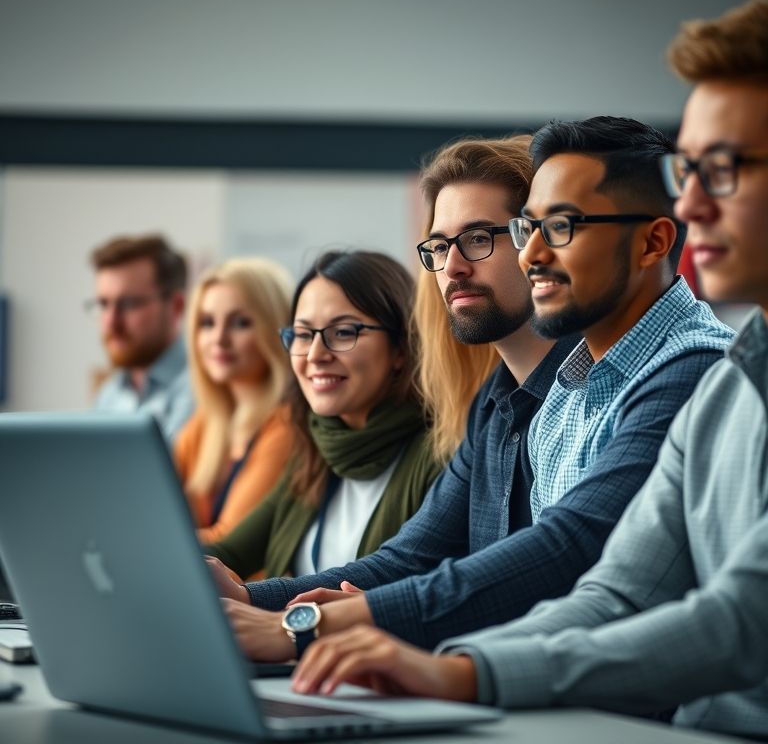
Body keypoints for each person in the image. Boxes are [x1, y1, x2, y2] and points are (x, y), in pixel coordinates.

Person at [288, 0, 768, 741]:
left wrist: (434, 662)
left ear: (651, 244)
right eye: (690, 169)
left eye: (727, 169)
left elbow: (732, 619)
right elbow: (611, 594)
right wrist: (452, 667)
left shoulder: (690, 373)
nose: (696, 201)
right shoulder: (724, 385)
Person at [210, 120, 732, 664]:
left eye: (481, 238)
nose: (453, 266)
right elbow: (417, 559)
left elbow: (566, 554)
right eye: (438, 247)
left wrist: (325, 625)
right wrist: (253, 600)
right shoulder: (539, 392)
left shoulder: (686, 368)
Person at [204, 250, 445, 612]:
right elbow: (230, 552)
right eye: (302, 335)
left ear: (400, 347)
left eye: (343, 332)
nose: (315, 354)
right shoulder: (317, 449)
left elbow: (396, 579)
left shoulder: (440, 454)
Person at [174, 258, 295, 545]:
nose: (218, 338)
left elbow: (230, 543)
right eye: (207, 323)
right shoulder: (205, 424)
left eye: (240, 323)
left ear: (275, 328)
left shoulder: (287, 426)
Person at [88, 233, 193, 442]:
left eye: (128, 304)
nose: (111, 321)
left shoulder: (203, 391)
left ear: (176, 306)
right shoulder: (109, 395)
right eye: (103, 305)